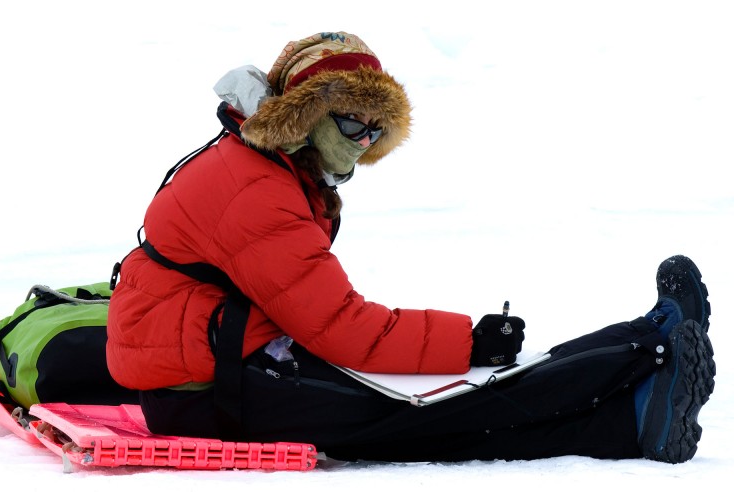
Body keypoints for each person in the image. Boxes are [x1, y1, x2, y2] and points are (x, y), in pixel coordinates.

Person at [106, 31, 715, 464]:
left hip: (237, 359)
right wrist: (467, 339)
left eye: (374, 132)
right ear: (304, 116)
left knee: (454, 385)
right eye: (351, 124)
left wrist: (466, 345)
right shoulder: (252, 188)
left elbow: (318, 312)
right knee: (439, 412)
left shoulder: (263, 167)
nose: (362, 142)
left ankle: (642, 341)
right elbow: (340, 326)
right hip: (210, 392)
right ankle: (638, 398)